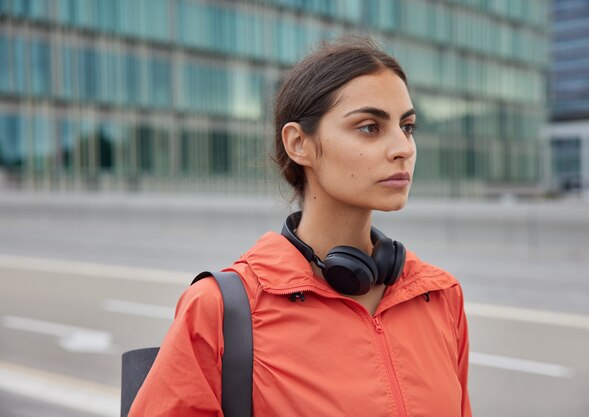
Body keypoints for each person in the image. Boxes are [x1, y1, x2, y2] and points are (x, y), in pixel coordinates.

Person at [129, 36, 472, 417]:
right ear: (298, 143)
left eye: (407, 126)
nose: (403, 148)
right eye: (370, 127)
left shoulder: (440, 297)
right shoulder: (219, 309)